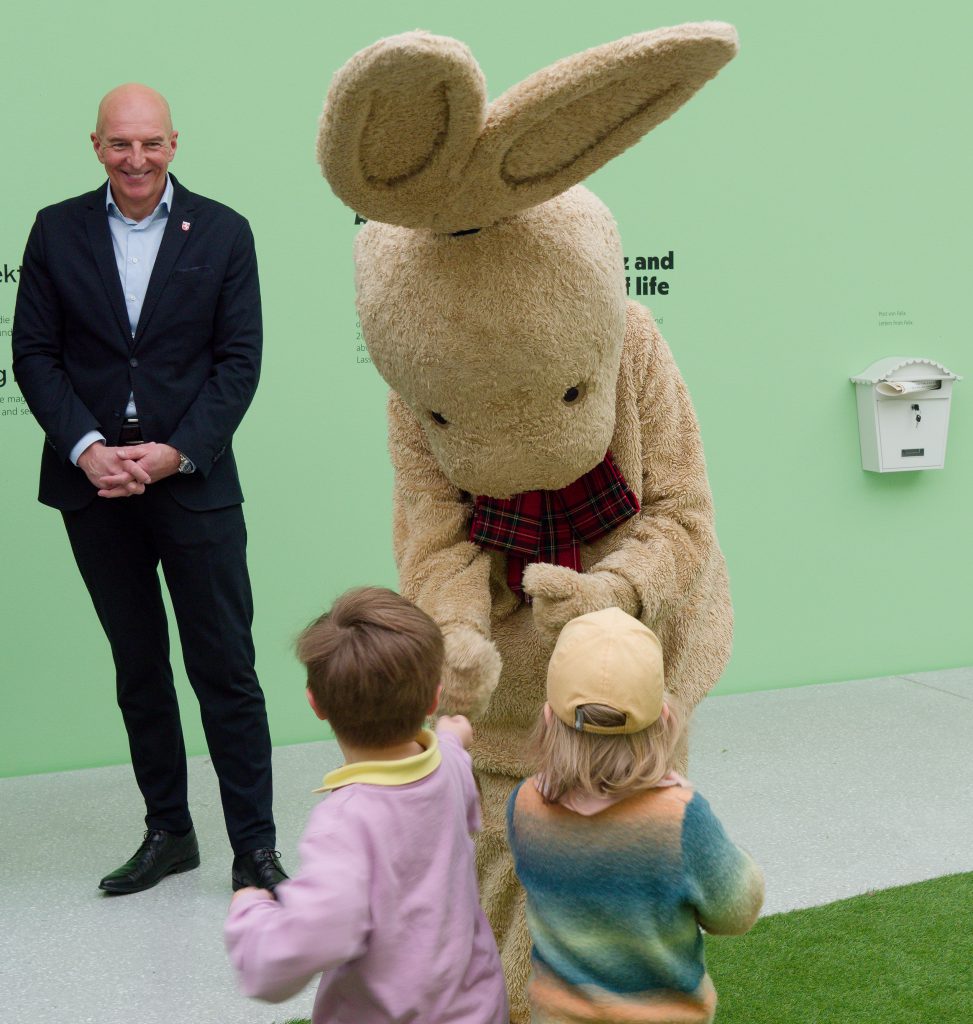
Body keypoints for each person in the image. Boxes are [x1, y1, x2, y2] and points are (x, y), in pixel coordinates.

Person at [11, 83, 286, 895]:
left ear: (175, 144)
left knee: (226, 669)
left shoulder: (226, 232)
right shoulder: (55, 230)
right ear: (96, 145)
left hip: (192, 483)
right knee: (138, 667)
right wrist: (88, 447)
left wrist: (177, 453)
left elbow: (240, 360)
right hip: (93, 486)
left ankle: (255, 850)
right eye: (120, 144)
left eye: (151, 144)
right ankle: (169, 832)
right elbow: (34, 354)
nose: (136, 159)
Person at [225, 586, 508, 1024]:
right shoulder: (449, 765)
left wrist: (251, 912)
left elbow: (304, 943)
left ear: (315, 704)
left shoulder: (344, 824)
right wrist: (454, 733)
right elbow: (451, 749)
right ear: (434, 698)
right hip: (476, 1006)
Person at [507, 607, 764, 1024]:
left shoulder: (524, 805)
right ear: (665, 719)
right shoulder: (681, 819)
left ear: (549, 718)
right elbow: (736, 912)